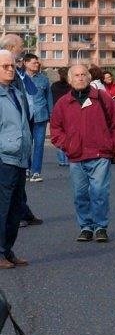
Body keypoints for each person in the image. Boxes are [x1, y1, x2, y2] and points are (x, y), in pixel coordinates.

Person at [49, 63, 115, 243]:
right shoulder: (63, 103)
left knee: (99, 192)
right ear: (69, 80)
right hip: (76, 156)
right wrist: (67, 145)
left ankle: (100, 226)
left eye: (83, 74)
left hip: (100, 154)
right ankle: (85, 226)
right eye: (76, 75)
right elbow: (55, 129)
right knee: (80, 194)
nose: (80, 77)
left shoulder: (102, 98)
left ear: (89, 78)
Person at [0, 50, 32, 268]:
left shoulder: (16, 92)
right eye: (5, 66)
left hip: (19, 156)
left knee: (15, 208)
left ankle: (7, 250)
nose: (11, 69)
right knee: (2, 207)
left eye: (13, 65)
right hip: (4, 157)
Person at [19, 54, 52, 183]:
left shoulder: (44, 79)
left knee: (39, 145)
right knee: (26, 144)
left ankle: (36, 172)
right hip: (25, 117)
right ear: (26, 63)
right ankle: (26, 168)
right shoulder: (19, 78)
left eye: (37, 63)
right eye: (33, 62)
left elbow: (48, 98)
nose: (36, 64)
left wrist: (51, 115)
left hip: (41, 116)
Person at [49, 67, 71, 167]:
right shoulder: (71, 87)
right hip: (69, 112)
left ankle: (61, 159)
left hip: (56, 112)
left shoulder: (54, 86)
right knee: (69, 135)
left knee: (59, 135)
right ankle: (67, 157)